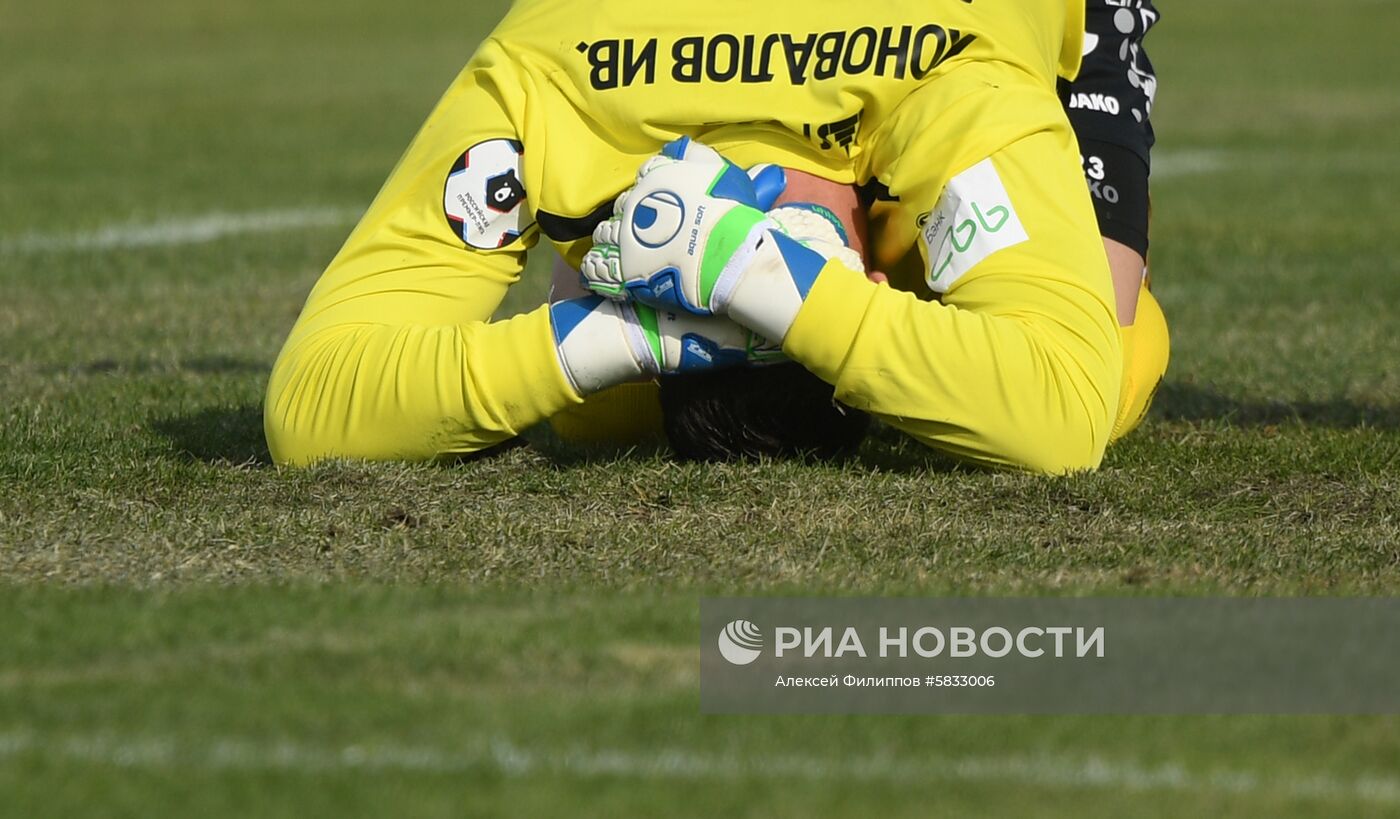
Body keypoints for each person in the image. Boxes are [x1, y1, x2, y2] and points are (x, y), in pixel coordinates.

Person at [265, 0, 1168, 474]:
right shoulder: (955, 73)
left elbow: (313, 410)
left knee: (1110, 322)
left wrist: (606, 347)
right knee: (1116, 335)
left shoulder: (955, 75)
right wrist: (627, 331)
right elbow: (1057, 411)